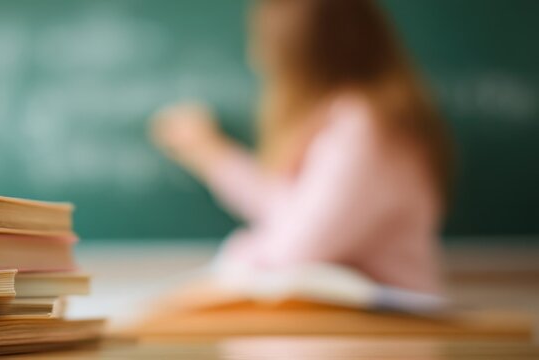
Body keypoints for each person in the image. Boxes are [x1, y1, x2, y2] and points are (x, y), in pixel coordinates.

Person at [151, 0, 452, 295]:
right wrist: (210, 153)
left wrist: (236, 256)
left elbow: (294, 249)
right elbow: (296, 212)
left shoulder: (364, 128)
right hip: (358, 327)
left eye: (266, 43)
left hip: (385, 328)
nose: (255, 56)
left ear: (301, 55)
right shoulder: (350, 122)